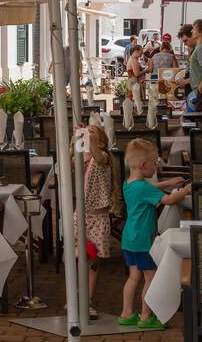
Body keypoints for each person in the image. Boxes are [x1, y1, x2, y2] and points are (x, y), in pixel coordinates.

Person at [118, 139, 191, 329]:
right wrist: (186, 190)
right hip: (143, 240)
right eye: (155, 162)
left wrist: (167, 182)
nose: (157, 164)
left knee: (134, 277)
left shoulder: (129, 183)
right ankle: (145, 317)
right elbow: (169, 200)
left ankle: (126, 313)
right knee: (150, 278)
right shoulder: (143, 187)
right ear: (144, 165)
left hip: (129, 239)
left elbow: (147, 190)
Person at [79, 125, 116, 320]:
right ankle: (78, 296)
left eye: (92, 131)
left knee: (92, 260)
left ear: (101, 142)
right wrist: (74, 140)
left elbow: (96, 154)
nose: (87, 133)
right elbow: (70, 160)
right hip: (81, 216)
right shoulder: (83, 158)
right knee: (78, 258)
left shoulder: (103, 157)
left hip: (98, 218)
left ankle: (88, 300)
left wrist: (90, 141)